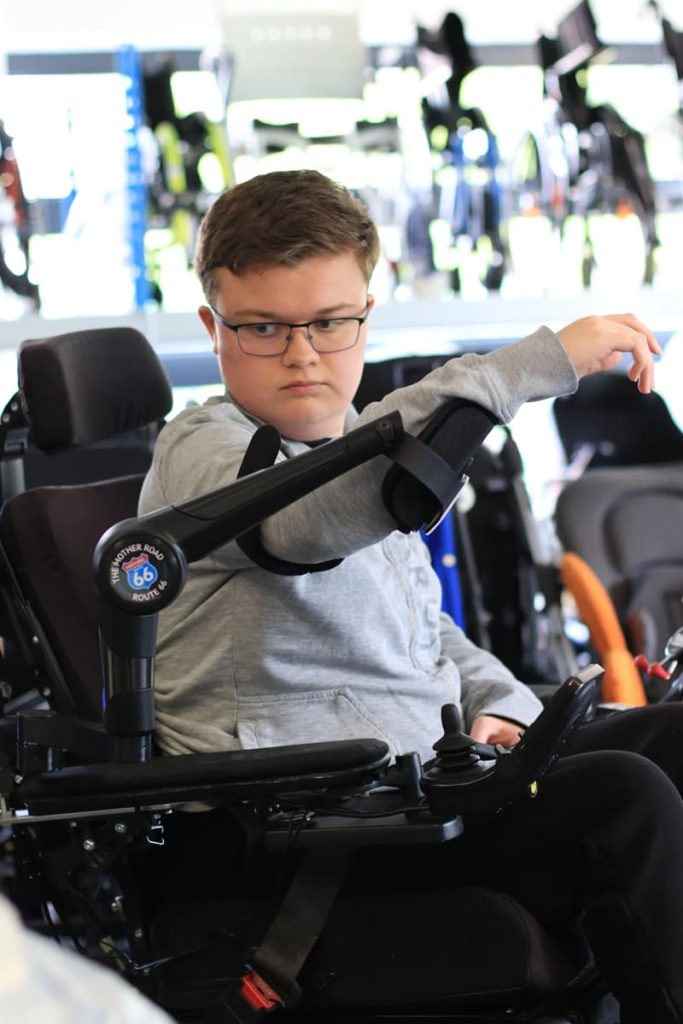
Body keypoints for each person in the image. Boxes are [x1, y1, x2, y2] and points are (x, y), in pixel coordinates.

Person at [139, 168, 683, 1022]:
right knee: (626, 797)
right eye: (263, 327)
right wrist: (530, 367)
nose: (302, 353)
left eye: (328, 322)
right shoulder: (201, 452)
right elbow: (300, 525)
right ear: (213, 328)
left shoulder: (356, 454)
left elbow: (429, 635)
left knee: (671, 736)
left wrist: (500, 707)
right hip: (306, 825)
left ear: (365, 315)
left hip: (417, 785)